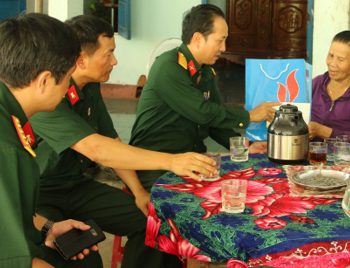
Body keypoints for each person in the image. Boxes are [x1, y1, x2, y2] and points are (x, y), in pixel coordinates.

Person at [29, 15, 215, 268]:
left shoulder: (90, 87)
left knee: (153, 221)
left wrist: (139, 192)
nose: (115, 61)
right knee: (76, 253)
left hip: (75, 186)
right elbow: (96, 150)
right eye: (108, 54)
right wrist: (172, 161)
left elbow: (112, 142)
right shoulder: (48, 94)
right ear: (80, 60)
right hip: (39, 195)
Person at [0, 13, 102, 268]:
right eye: (69, 76)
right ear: (44, 81)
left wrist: (49, 227)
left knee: (87, 260)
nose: (69, 85)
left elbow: (6, 209)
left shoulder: (0, 110)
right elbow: (3, 260)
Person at [129, 4, 278, 190]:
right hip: (156, 163)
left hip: (191, 160)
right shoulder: (169, 67)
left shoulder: (205, 70)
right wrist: (250, 116)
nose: (223, 48)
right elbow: (203, 112)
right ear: (198, 38)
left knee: (247, 187)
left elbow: (214, 121)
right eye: (220, 41)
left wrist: (244, 147)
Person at [308, 30, 350, 148]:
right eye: (331, 56)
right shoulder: (316, 84)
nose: (332, 63)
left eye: (340, 60)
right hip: (311, 155)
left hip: (343, 159)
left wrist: (322, 131)